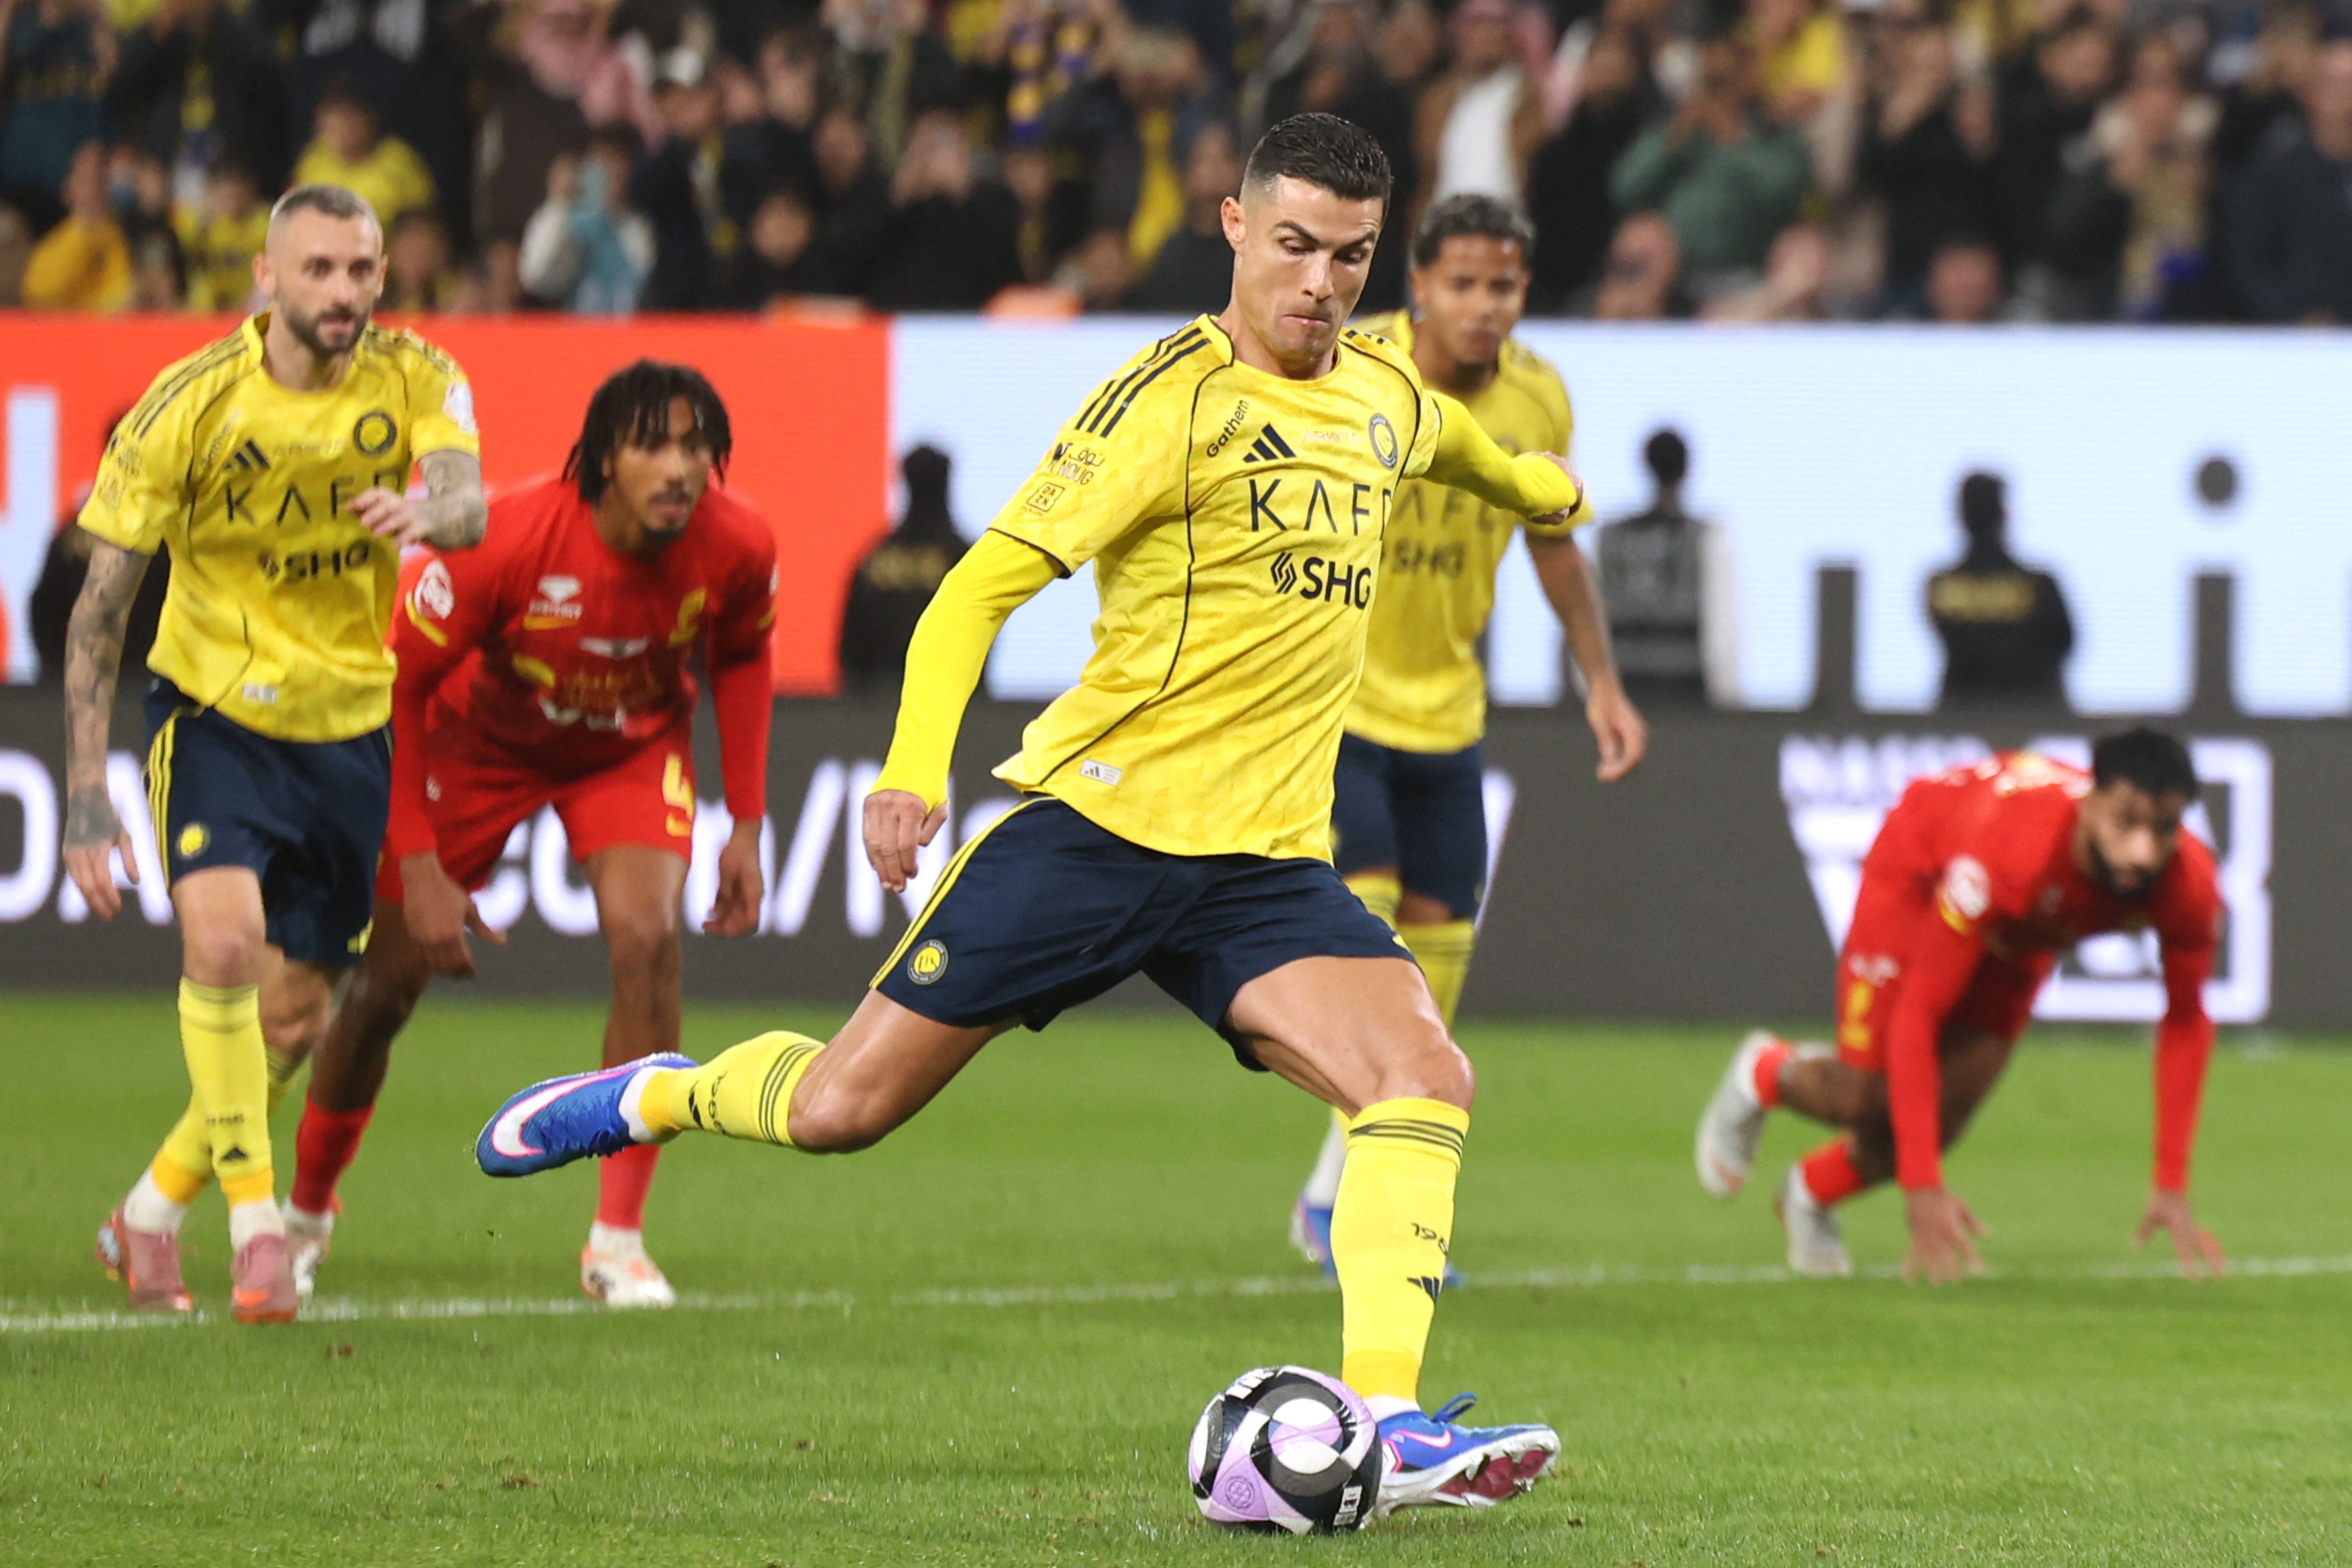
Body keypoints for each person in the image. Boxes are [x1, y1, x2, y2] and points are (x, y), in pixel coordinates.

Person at [472, 113, 1582, 1516]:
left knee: (1424, 1077)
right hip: (1097, 834)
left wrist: (1543, 487)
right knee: (839, 1109)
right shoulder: (1163, 402)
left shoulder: (1383, 389)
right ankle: (650, 1092)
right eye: (1294, 245)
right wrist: (911, 769)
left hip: (1257, 869)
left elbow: (1460, 449)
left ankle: (1389, 1415)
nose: (1321, 282)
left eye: (1352, 258)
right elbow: (978, 587)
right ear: (1234, 227)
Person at [66, 183, 484, 1322]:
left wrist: (428, 520)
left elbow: (465, 504)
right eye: (318, 271)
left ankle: (149, 1212)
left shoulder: (421, 377)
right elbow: (99, 612)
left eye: (360, 271)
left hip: (348, 731)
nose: (342, 293)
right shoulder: (189, 405)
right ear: (266, 277)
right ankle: (257, 1233)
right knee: (225, 948)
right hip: (214, 719)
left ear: (382, 276)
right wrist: (84, 796)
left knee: (294, 1021)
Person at [284, 362, 775, 1308]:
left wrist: (747, 822)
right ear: (600, 459)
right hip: (479, 746)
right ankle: (305, 1214)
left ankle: (617, 1240)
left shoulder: (740, 541)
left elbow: (747, 653)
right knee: (382, 991)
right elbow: (400, 688)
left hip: (626, 751)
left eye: (694, 445)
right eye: (652, 445)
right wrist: (421, 867)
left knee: (647, 942)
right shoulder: (506, 538)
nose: (680, 468)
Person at [1289, 193, 1647, 1273]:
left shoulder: (1539, 398)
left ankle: (1334, 1184)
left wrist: (1601, 683)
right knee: (1371, 922)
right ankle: (1373, 1204)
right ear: (1418, 285)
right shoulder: (1351, 372)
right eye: (1461, 285)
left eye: (1502, 287)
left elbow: (1551, 545)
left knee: (1432, 976)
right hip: (1334, 703)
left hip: (1447, 716)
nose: (1482, 307)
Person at [1694, 732, 2227, 1286]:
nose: (2143, 851)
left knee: (1942, 1118)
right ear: (2090, 804)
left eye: (2164, 829)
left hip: (2024, 935)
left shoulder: (2188, 885)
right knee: (1866, 1097)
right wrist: (1922, 1190)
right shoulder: (2012, 850)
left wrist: (2171, 1181)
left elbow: (2187, 1022)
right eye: (2126, 822)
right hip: (1921, 877)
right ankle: (1764, 1070)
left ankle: (1811, 1192)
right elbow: (1919, 1015)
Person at [1596, 428, 1735, 707]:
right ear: (1686, 470)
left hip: (1621, 696)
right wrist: (1727, 704)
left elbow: (1589, 613)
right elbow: (1722, 631)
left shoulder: (1612, 537)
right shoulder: (1706, 537)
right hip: (1689, 699)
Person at [1925, 471, 2073, 709]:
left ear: (1961, 515)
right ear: (2003, 515)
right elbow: (2064, 642)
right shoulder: (2039, 586)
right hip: (2033, 719)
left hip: (1963, 721)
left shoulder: (1940, 586)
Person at [839, 445, 968, 696]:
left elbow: (850, 650)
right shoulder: (965, 559)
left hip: (877, 712)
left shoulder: (874, 561)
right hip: (952, 708)